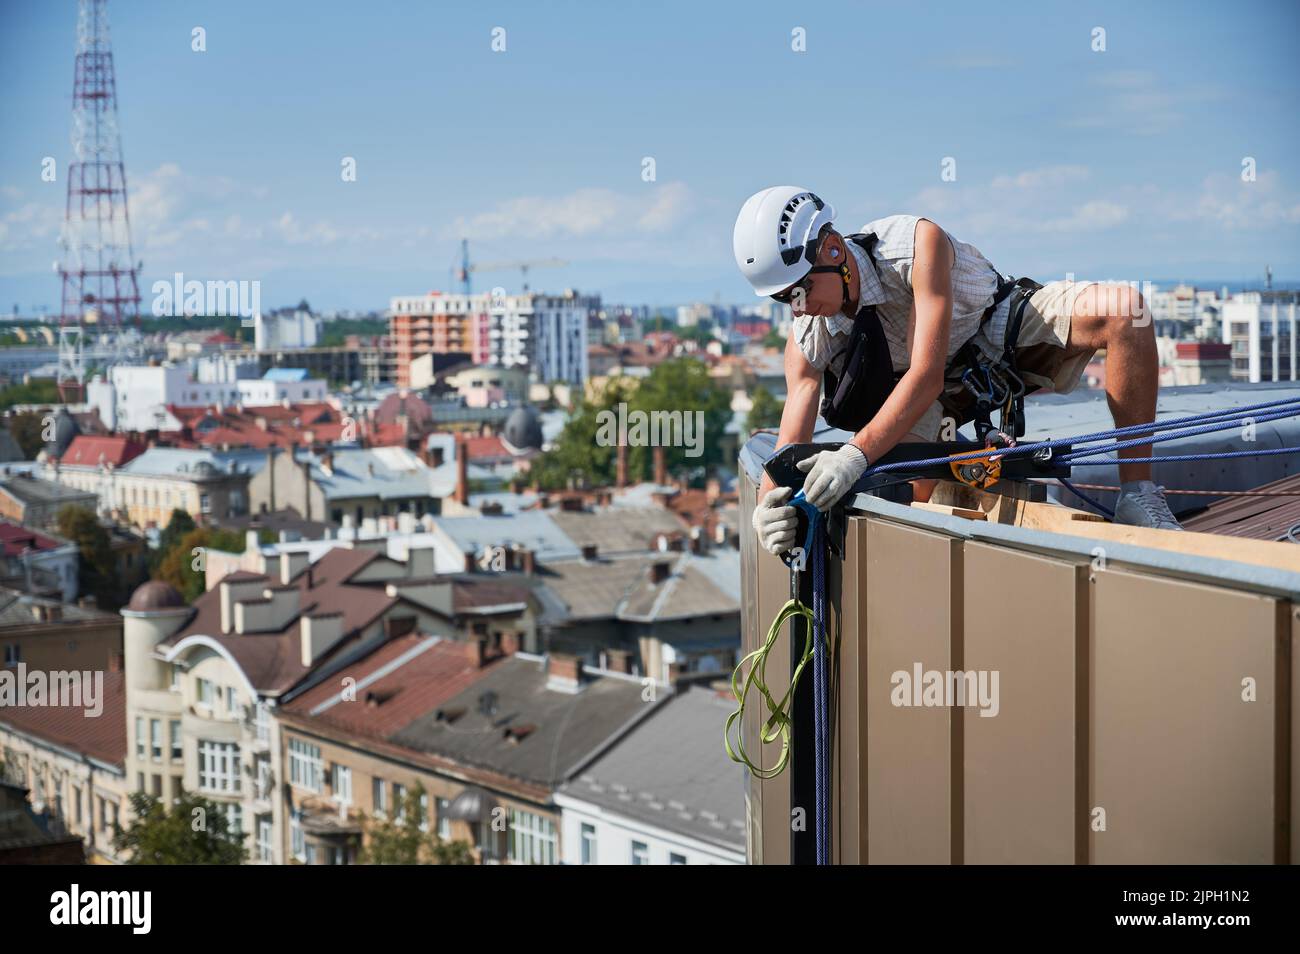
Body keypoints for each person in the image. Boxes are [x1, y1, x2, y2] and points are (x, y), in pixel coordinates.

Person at [736, 186, 1182, 556]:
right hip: (928, 392)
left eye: (802, 289)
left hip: (995, 328)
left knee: (1125, 313)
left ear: (832, 249)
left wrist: (854, 454)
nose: (799, 306)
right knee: (915, 510)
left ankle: (1138, 494)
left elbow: (925, 374)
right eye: (784, 299)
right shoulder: (810, 328)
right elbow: (787, 449)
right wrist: (765, 510)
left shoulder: (910, 246)